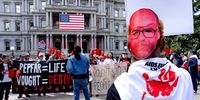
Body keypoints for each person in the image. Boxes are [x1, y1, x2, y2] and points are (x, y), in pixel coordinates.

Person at [106, 8, 194, 100]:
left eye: (148, 31)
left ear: (129, 46)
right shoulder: (184, 78)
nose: (142, 37)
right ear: (162, 42)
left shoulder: (121, 87)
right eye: (136, 32)